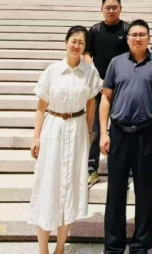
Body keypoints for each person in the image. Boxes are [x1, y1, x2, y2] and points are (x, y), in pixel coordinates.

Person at [29, 26, 102, 254]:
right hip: (54, 128)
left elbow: (91, 104)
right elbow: (41, 107)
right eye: (73, 41)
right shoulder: (52, 71)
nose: (76, 45)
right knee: (47, 185)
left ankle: (60, 248)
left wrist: (88, 133)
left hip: (77, 129)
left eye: (81, 42)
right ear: (66, 42)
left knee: (70, 188)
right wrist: (36, 137)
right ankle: (43, 249)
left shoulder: (90, 73)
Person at [100, 19, 152, 254]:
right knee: (115, 192)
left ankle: (141, 245)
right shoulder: (116, 62)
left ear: (149, 38)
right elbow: (106, 97)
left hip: (146, 132)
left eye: (142, 34)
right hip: (119, 132)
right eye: (133, 35)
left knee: (145, 191)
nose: (137, 38)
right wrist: (103, 133)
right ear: (127, 38)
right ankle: (114, 245)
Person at [85, 0, 129, 187]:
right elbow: (87, 55)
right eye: (108, 7)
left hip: (122, 88)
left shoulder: (127, 30)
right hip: (99, 87)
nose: (111, 10)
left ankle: (120, 171)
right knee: (96, 129)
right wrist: (98, 78)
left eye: (115, 7)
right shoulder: (95, 30)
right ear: (101, 9)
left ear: (120, 8)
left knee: (120, 129)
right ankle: (91, 168)